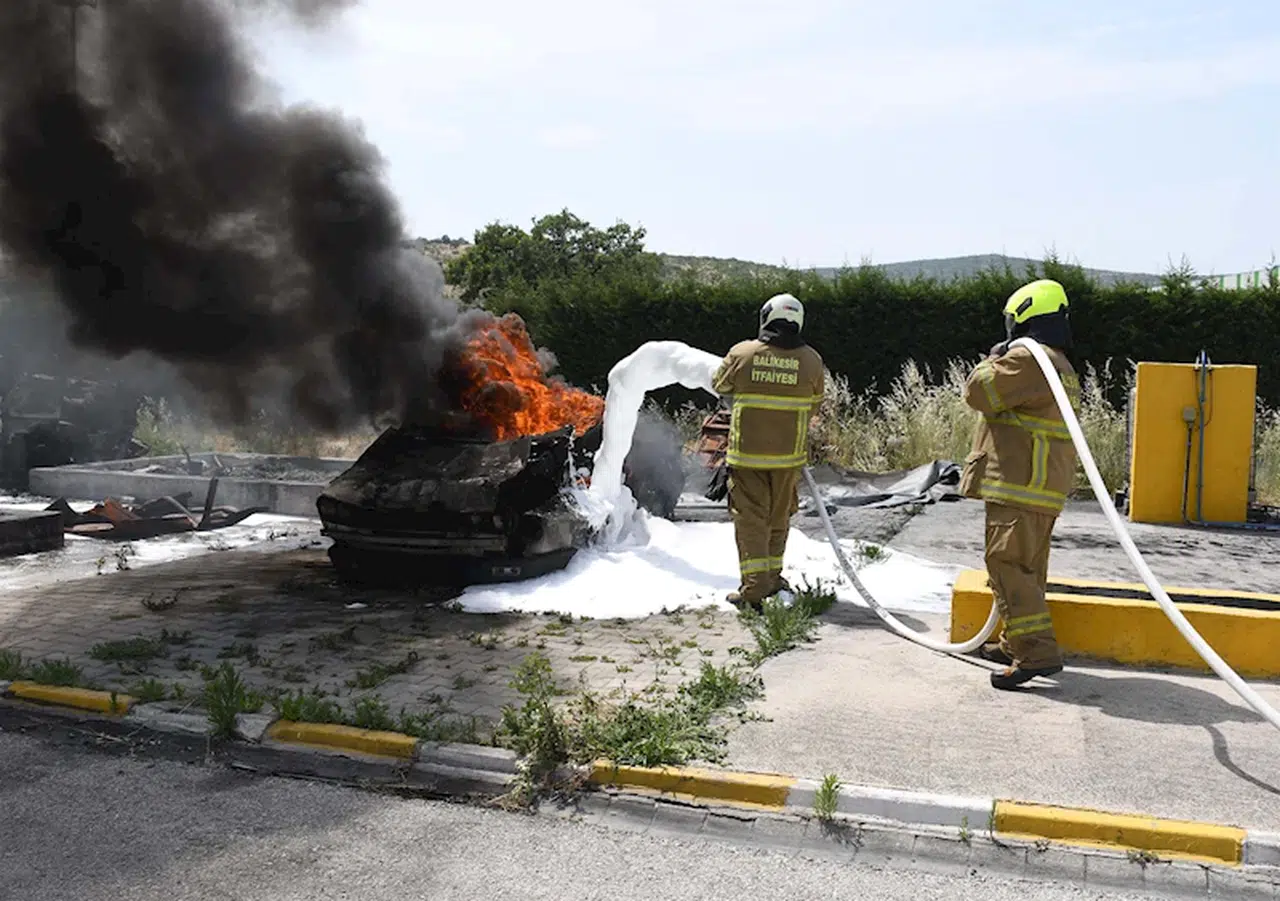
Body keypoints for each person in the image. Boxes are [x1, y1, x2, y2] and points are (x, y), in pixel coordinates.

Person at [960, 278, 1082, 690]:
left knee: (1006, 565)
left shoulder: (1030, 360)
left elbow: (979, 392)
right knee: (1027, 569)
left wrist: (990, 359)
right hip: (1041, 486)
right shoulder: (1060, 363)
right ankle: (1015, 641)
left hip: (1019, 484)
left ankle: (1035, 653)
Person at [711, 293, 825, 611]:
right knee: (778, 519)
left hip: (747, 458)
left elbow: (719, 385)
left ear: (766, 317)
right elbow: (815, 405)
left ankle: (754, 591)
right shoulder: (813, 361)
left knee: (750, 521)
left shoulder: (743, 353)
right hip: (788, 461)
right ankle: (773, 580)